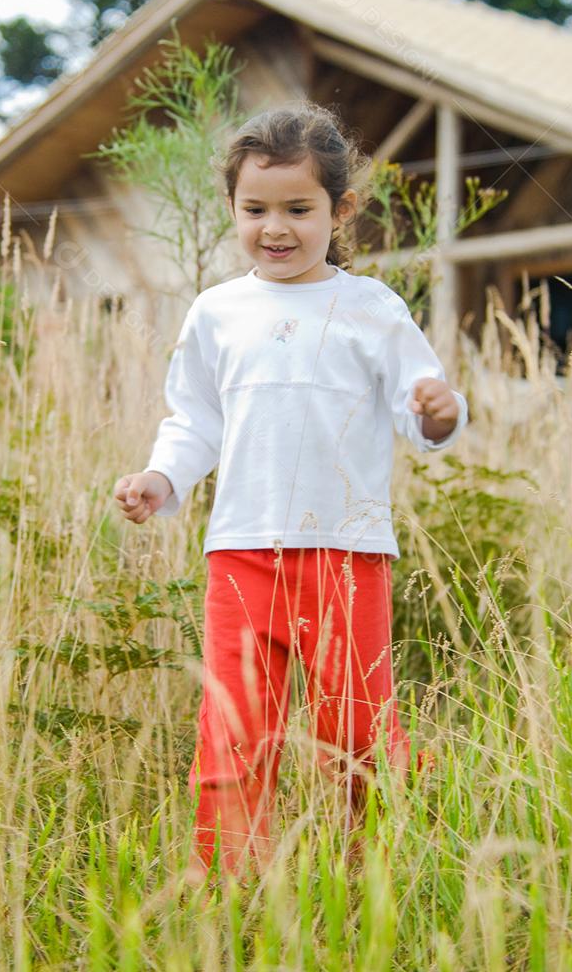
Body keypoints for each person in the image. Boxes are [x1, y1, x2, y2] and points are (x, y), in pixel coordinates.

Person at [114, 101, 469, 881]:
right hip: (241, 554)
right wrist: (159, 477)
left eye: (298, 209)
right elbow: (195, 420)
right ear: (233, 209)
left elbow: (423, 402)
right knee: (234, 729)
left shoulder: (370, 307)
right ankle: (230, 884)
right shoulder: (217, 313)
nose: (275, 228)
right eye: (256, 209)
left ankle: (369, 875)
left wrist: (439, 412)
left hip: (347, 554)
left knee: (356, 730)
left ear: (339, 210)